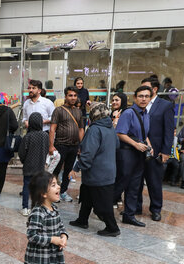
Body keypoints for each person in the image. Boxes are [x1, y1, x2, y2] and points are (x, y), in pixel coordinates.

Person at [11, 170, 68, 264]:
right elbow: (32, 235)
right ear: (43, 193)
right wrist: (52, 239)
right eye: (54, 185)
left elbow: (61, 227)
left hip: (50, 254)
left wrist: (63, 237)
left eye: (57, 184)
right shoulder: (38, 212)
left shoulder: (54, 209)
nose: (58, 187)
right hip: (40, 254)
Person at [68, 103, 120, 237]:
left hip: (97, 172)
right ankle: (82, 220)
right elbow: (117, 145)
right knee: (87, 195)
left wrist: (76, 167)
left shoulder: (94, 129)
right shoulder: (110, 127)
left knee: (104, 203)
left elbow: (88, 153)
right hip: (108, 170)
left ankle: (112, 227)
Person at [136, 77, 175, 221]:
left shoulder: (165, 106)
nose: (142, 93)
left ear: (154, 89)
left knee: (154, 182)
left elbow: (169, 130)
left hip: (156, 152)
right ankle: (136, 207)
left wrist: (166, 151)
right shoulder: (138, 104)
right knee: (136, 181)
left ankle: (156, 209)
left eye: (145, 88)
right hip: (138, 150)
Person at [114, 85, 153, 227]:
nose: (144, 99)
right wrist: (135, 145)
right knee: (121, 184)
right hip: (127, 153)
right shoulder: (128, 113)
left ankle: (129, 215)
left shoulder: (146, 114)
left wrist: (149, 145)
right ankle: (102, 209)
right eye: (141, 96)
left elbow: (144, 134)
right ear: (135, 98)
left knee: (135, 186)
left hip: (140, 153)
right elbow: (120, 133)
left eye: (147, 96)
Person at [49, 86, 84, 202]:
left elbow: (81, 129)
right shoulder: (58, 110)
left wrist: (81, 146)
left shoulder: (78, 112)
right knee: (56, 170)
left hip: (74, 146)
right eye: (70, 95)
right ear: (65, 96)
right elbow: (52, 129)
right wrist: (51, 145)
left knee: (69, 170)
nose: (73, 98)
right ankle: (51, 192)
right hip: (61, 145)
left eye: (75, 95)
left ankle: (63, 191)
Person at [18, 113, 49, 216]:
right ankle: (35, 207)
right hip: (40, 166)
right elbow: (46, 150)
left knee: (26, 186)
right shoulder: (45, 135)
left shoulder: (28, 136)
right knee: (38, 187)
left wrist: (24, 161)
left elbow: (22, 152)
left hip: (28, 166)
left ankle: (25, 207)